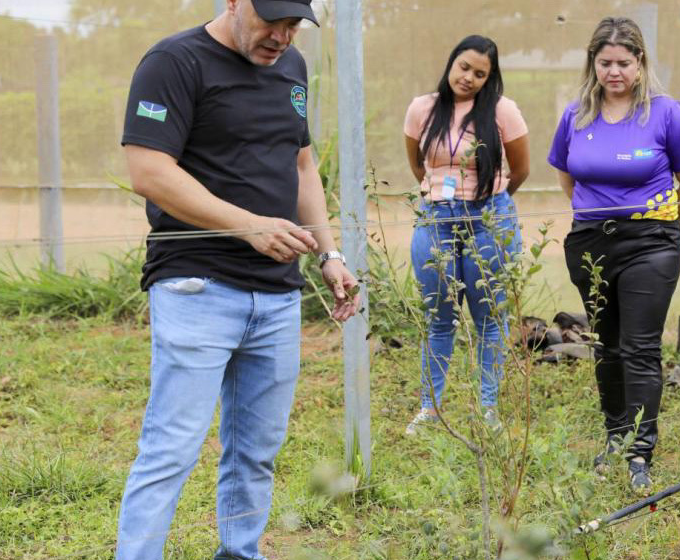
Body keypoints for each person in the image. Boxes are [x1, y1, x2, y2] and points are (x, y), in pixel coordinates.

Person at [115, 1, 360, 559]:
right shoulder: (173, 62)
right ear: (232, 2)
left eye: (294, 24)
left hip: (276, 294)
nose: (281, 36)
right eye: (271, 20)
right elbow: (148, 171)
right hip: (197, 286)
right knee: (172, 447)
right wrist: (246, 226)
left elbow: (300, 165)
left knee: (256, 450)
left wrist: (329, 252)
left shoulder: (292, 66)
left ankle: (241, 552)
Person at [548, 17, 680, 493]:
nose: (614, 72)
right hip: (591, 244)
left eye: (623, 63)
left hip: (651, 245)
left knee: (639, 348)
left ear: (640, 63)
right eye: (605, 63)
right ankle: (615, 436)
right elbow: (567, 179)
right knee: (607, 344)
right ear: (592, 64)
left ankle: (640, 450)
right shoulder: (576, 115)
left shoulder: (665, 113)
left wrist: (659, 229)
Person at [402, 35, 529, 435]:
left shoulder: (502, 111)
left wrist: (487, 204)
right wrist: (440, 194)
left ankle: (487, 408)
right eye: (464, 67)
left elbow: (520, 170)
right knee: (438, 315)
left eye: (480, 73)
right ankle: (430, 409)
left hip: (488, 215)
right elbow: (418, 164)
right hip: (436, 216)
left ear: (489, 78)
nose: (469, 78)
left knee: (488, 314)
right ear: (451, 62)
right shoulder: (423, 108)